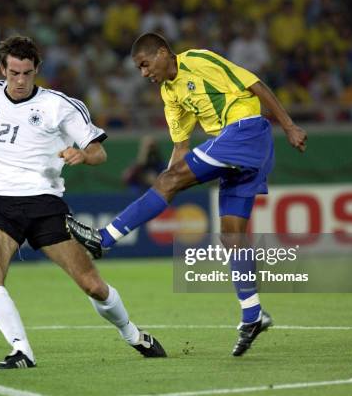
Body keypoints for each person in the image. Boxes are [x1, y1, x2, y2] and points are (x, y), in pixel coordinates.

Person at [67, 32, 307, 357]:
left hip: (245, 132)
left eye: (145, 64)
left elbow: (255, 84)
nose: (144, 73)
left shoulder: (197, 60)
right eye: (139, 68)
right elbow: (181, 146)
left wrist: (289, 125)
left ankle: (104, 238)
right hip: (235, 150)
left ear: (163, 53)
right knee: (232, 236)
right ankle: (253, 314)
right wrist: (169, 184)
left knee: (173, 184)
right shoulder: (170, 94)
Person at [0, 35, 166, 369]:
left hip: (45, 205)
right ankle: (21, 350)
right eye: (14, 73)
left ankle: (132, 334)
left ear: (36, 69)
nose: (20, 81)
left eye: (27, 73)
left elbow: (100, 152)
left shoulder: (59, 105)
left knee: (93, 286)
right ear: (3, 69)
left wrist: (82, 155)